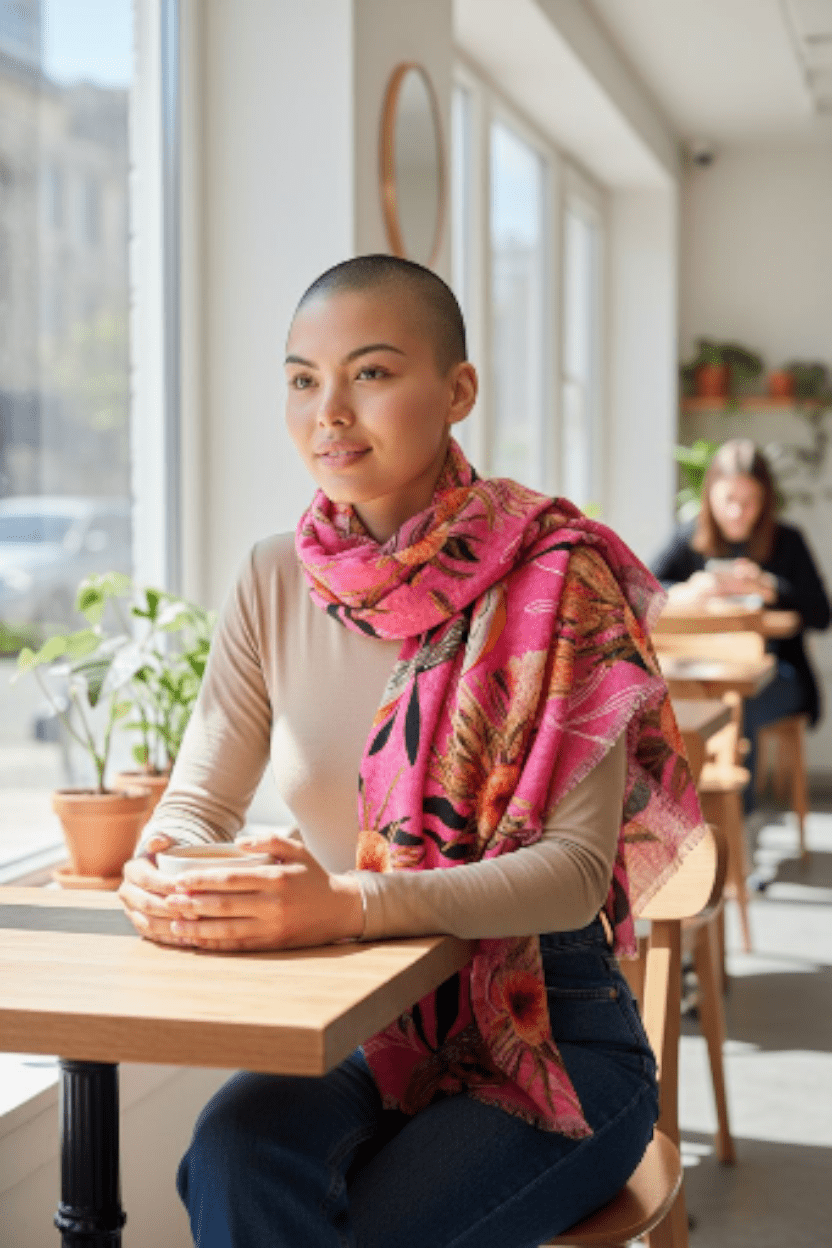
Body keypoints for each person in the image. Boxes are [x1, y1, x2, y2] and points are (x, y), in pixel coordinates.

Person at [118, 254, 705, 1248]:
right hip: (361, 1020)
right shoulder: (273, 577)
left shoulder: (561, 575)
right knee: (231, 1155)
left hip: (552, 1031)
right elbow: (196, 801)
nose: (328, 412)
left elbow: (570, 878)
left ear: (457, 390)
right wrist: (163, 868)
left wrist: (346, 904)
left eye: (372, 373)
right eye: (303, 378)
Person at [651, 438, 830, 806]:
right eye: (727, 501)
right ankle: (677, 822)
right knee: (671, 708)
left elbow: (821, 614)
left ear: (765, 501)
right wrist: (692, 589)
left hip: (777, 675)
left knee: (734, 710)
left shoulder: (787, 542)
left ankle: (731, 827)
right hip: (702, 671)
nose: (737, 513)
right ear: (709, 499)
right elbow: (645, 593)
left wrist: (770, 588)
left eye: (749, 502)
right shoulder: (689, 539)